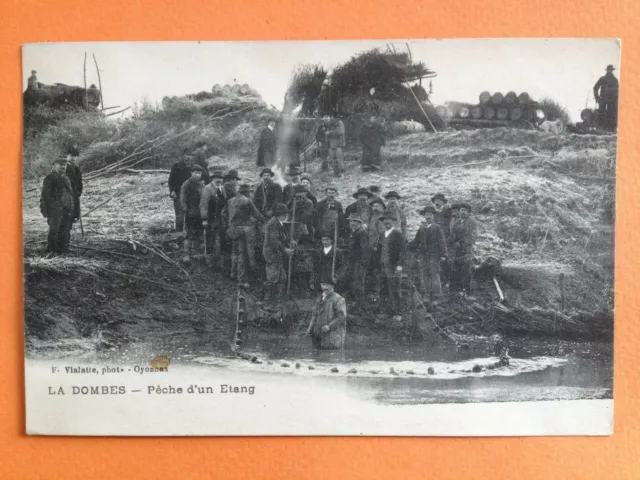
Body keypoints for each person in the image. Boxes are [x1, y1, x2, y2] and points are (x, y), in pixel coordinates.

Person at [224, 183, 266, 286]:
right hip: (243, 230)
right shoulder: (247, 201)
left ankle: (233, 274)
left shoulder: (230, 201)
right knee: (242, 254)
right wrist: (265, 220)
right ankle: (242, 280)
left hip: (232, 229)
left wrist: (230, 222)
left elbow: (223, 213)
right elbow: (256, 214)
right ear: (246, 192)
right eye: (249, 192)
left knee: (234, 253)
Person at [409, 206, 448, 301]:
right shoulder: (421, 228)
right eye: (426, 214)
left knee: (434, 274)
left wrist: (443, 254)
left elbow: (442, 241)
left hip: (434, 255)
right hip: (423, 255)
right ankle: (426, 294)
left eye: (430, 214)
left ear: (433, 216)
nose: (428, 216)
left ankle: (436, 295)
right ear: (424, 216)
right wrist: (407, 247)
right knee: (424, 274)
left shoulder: (437, 228)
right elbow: (416, 241)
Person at [40, 157, 75, 256]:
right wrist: (45, 210)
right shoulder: (50, 178)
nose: (63, 167)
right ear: (55, 165)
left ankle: (63, 250)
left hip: (67, 209)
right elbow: (45, 196)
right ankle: (52, 251)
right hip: (55, 210)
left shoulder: (66, 178)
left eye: (64, 165)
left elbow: (71, 194)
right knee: (54, 231)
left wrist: (73, 208)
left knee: (66, 230)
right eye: (60, 165)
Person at [262, 203, 295, 301]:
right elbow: (274, 240)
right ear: (283, 215)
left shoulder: (278, 222)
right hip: (271, 253)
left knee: (281, 277)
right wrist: (285, 250)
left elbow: (283, 235)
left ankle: (277, 298)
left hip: (276, 253)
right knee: (273, 277)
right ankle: (268, 299)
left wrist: (291, 240)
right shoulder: (273, 223)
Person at [379, 210, 405, 320]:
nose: (387, 222)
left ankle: (397, 312)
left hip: (393, 266)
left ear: (393, 222)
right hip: (383, 266)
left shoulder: (397, 234)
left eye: (389, 220)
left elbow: (403, 251)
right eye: (385, 221)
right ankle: (386, 311)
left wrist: (399, 265)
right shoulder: (381, 235)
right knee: (384, 289)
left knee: (395, 288)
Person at [306, 280, 347, 350]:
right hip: (317, 336)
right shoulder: (319, 298)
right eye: (323, 284)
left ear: (333, 286)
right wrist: (310, 329)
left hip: (332, 337)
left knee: (331, 356)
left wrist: (329, 326)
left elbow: (341, 317)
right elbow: (314, 315)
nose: (325, 287)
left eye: (327, 285)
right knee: (317, 356)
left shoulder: (339, 299)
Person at [449, 203, 477, 294]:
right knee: (456, 267)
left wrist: (461, 243)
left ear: (468, 213)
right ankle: (456, 290)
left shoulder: (472, 222)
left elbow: (473, 237)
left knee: (467, 269)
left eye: (465, 211)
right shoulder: (457, 221)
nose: (463, 212)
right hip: (457, 250)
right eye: (461, 210)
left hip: (467, 249)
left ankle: (467, 290)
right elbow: (453, 234)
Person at [199, 170, 226, 266]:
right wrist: (204, 219)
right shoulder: (207, 189)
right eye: (217, 178)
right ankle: (209, 262)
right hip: (211, 219)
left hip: (220, 219)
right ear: (213, 178)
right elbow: (203, 204)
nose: (219, 180)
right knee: (210, 239)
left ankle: (218, 261)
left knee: (219, 239)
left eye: (221, 178)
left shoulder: (222, 189)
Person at [180, 165, 206, 262]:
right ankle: (186, 254)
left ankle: (196, 253)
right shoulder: (186, 184)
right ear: (192, 173)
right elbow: (183, 198)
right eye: (195, 173)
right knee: (188, 234)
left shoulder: (201, 185)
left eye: (199, 173)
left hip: (199, 213)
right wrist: (185, 209)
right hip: (190, 213)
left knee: (198, 233)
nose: (197, 175)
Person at [346, 213, 369, 305]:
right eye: (351, 221)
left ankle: (360, 304)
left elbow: (365, 248)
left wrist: (363, 261)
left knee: (358, 282)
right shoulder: (354, 232)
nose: (352, 223)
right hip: (354, 260)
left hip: (359, 261)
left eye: (355, 221)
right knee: (353, 280)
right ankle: (355, 302)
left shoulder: (361, 232)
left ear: (359, 222)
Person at [168, 153, 193, 231]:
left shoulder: (193, 167)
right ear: (182, 156)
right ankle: (178, 233)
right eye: (186, 157)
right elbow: (171, 180)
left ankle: (189, 233)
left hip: (190, 193)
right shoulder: (176, 166)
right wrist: (172, 191)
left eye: (190, 157)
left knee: (190, 214)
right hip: (178, 192)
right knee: (179, 215)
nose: (188, 159)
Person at [593, 65, 619, 132]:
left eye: (610, 70)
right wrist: (597, 98)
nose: (609, 71)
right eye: (608, 70)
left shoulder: (615, 80)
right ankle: (601, 129)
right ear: (607, 70)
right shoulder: (602, 79)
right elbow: (595, 88)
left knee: (611, 114)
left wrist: (616, 100)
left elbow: (618, 91)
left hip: (612, 101)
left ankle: (611, 130)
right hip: (603, 99)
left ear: (612, 70)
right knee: (601, 113)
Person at [65, 154, 83, 223]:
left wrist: (80, 190)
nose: (72, 160)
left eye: (73, 159)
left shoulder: (76, 168)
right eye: (70, 159)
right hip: (67, 190)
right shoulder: (64, 168)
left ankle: (74, 217)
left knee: (75, 204)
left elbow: (79, 181)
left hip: (75, 190)